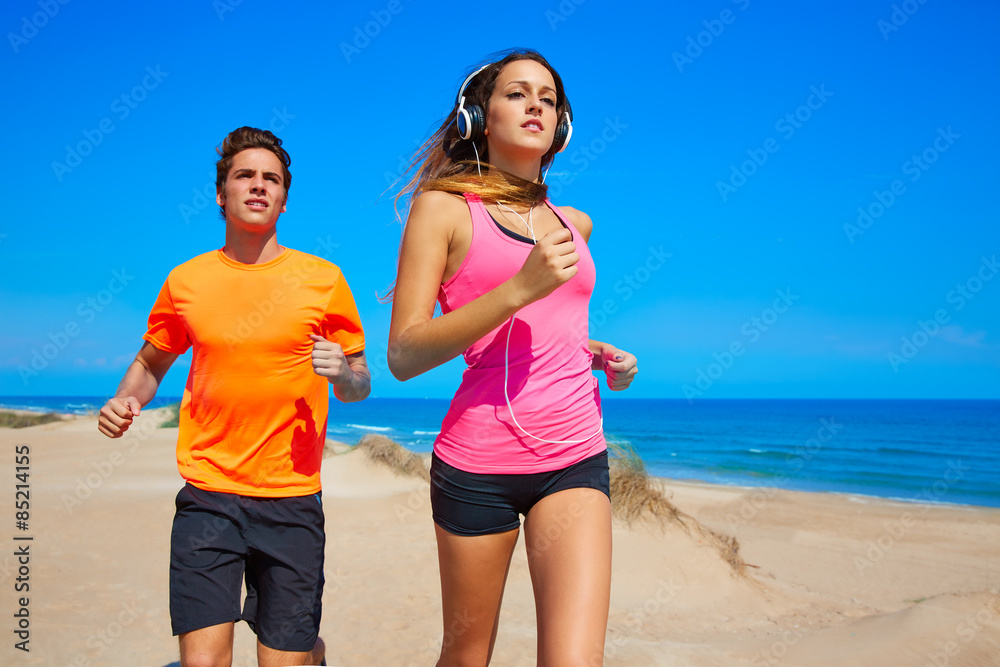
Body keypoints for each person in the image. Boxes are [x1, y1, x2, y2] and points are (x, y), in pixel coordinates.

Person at [388, 50, 638, 666]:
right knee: (467, 656)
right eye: (516, 93)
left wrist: (595, 351)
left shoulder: (573, 222)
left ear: (562, 126)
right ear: (478, 115)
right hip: (478, 467)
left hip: (574, 455)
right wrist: (519, 289)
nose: (535, 105)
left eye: (548, 99)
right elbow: (404, 352)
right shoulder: (442, 209)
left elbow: (553, 323)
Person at [97, 126, 370, 667]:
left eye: (271, 178)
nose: (258, 185)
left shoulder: (323, 279)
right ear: (221, 194)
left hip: (291, 500)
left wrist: (342, 371)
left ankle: (309, 652)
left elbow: (359, 385)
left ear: (284, 200)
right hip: (207, 494)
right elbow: (152, 362)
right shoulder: (186, 281)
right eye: (244, 175)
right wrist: (124, 400)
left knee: (284, 659)